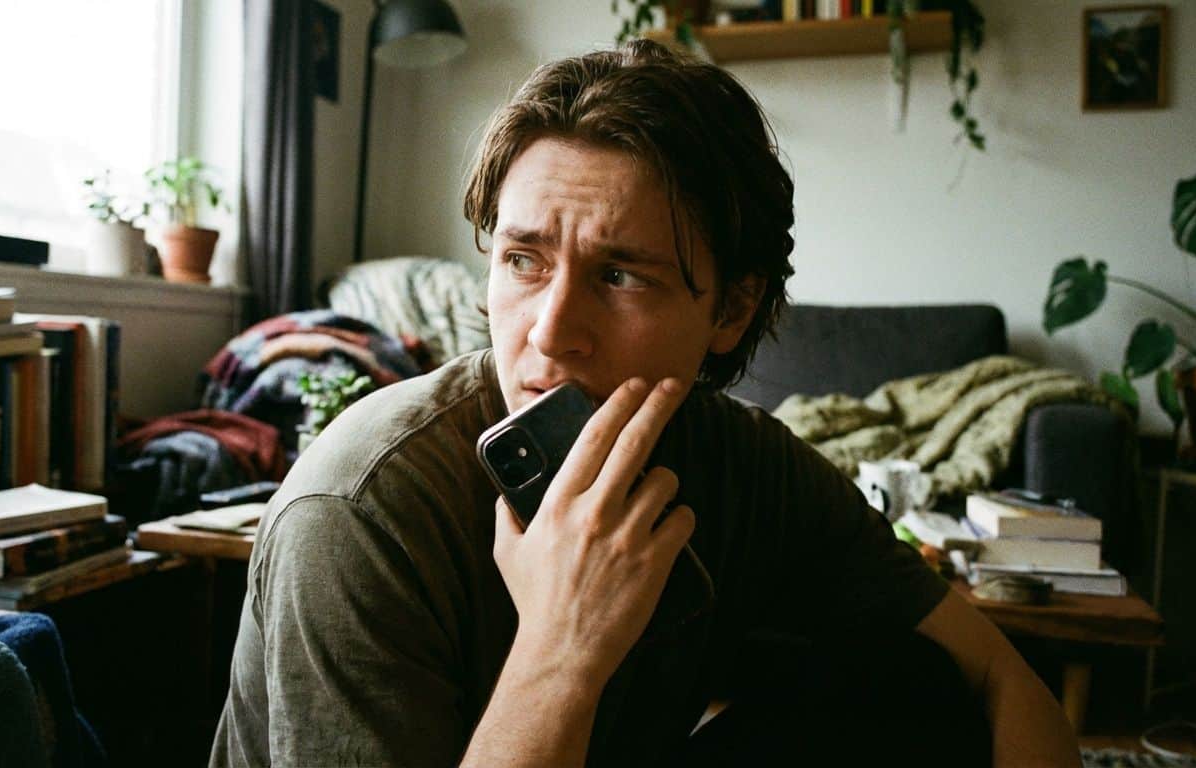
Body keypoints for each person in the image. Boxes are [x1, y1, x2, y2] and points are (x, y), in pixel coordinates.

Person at [211, 40, 1080, 768]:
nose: (550, 333)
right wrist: (562, 649)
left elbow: (1005, 684)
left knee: (914, 689)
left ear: (730, 312)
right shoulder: (363, 511)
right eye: (523, 260)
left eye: (619, 276)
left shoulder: (745, 464)